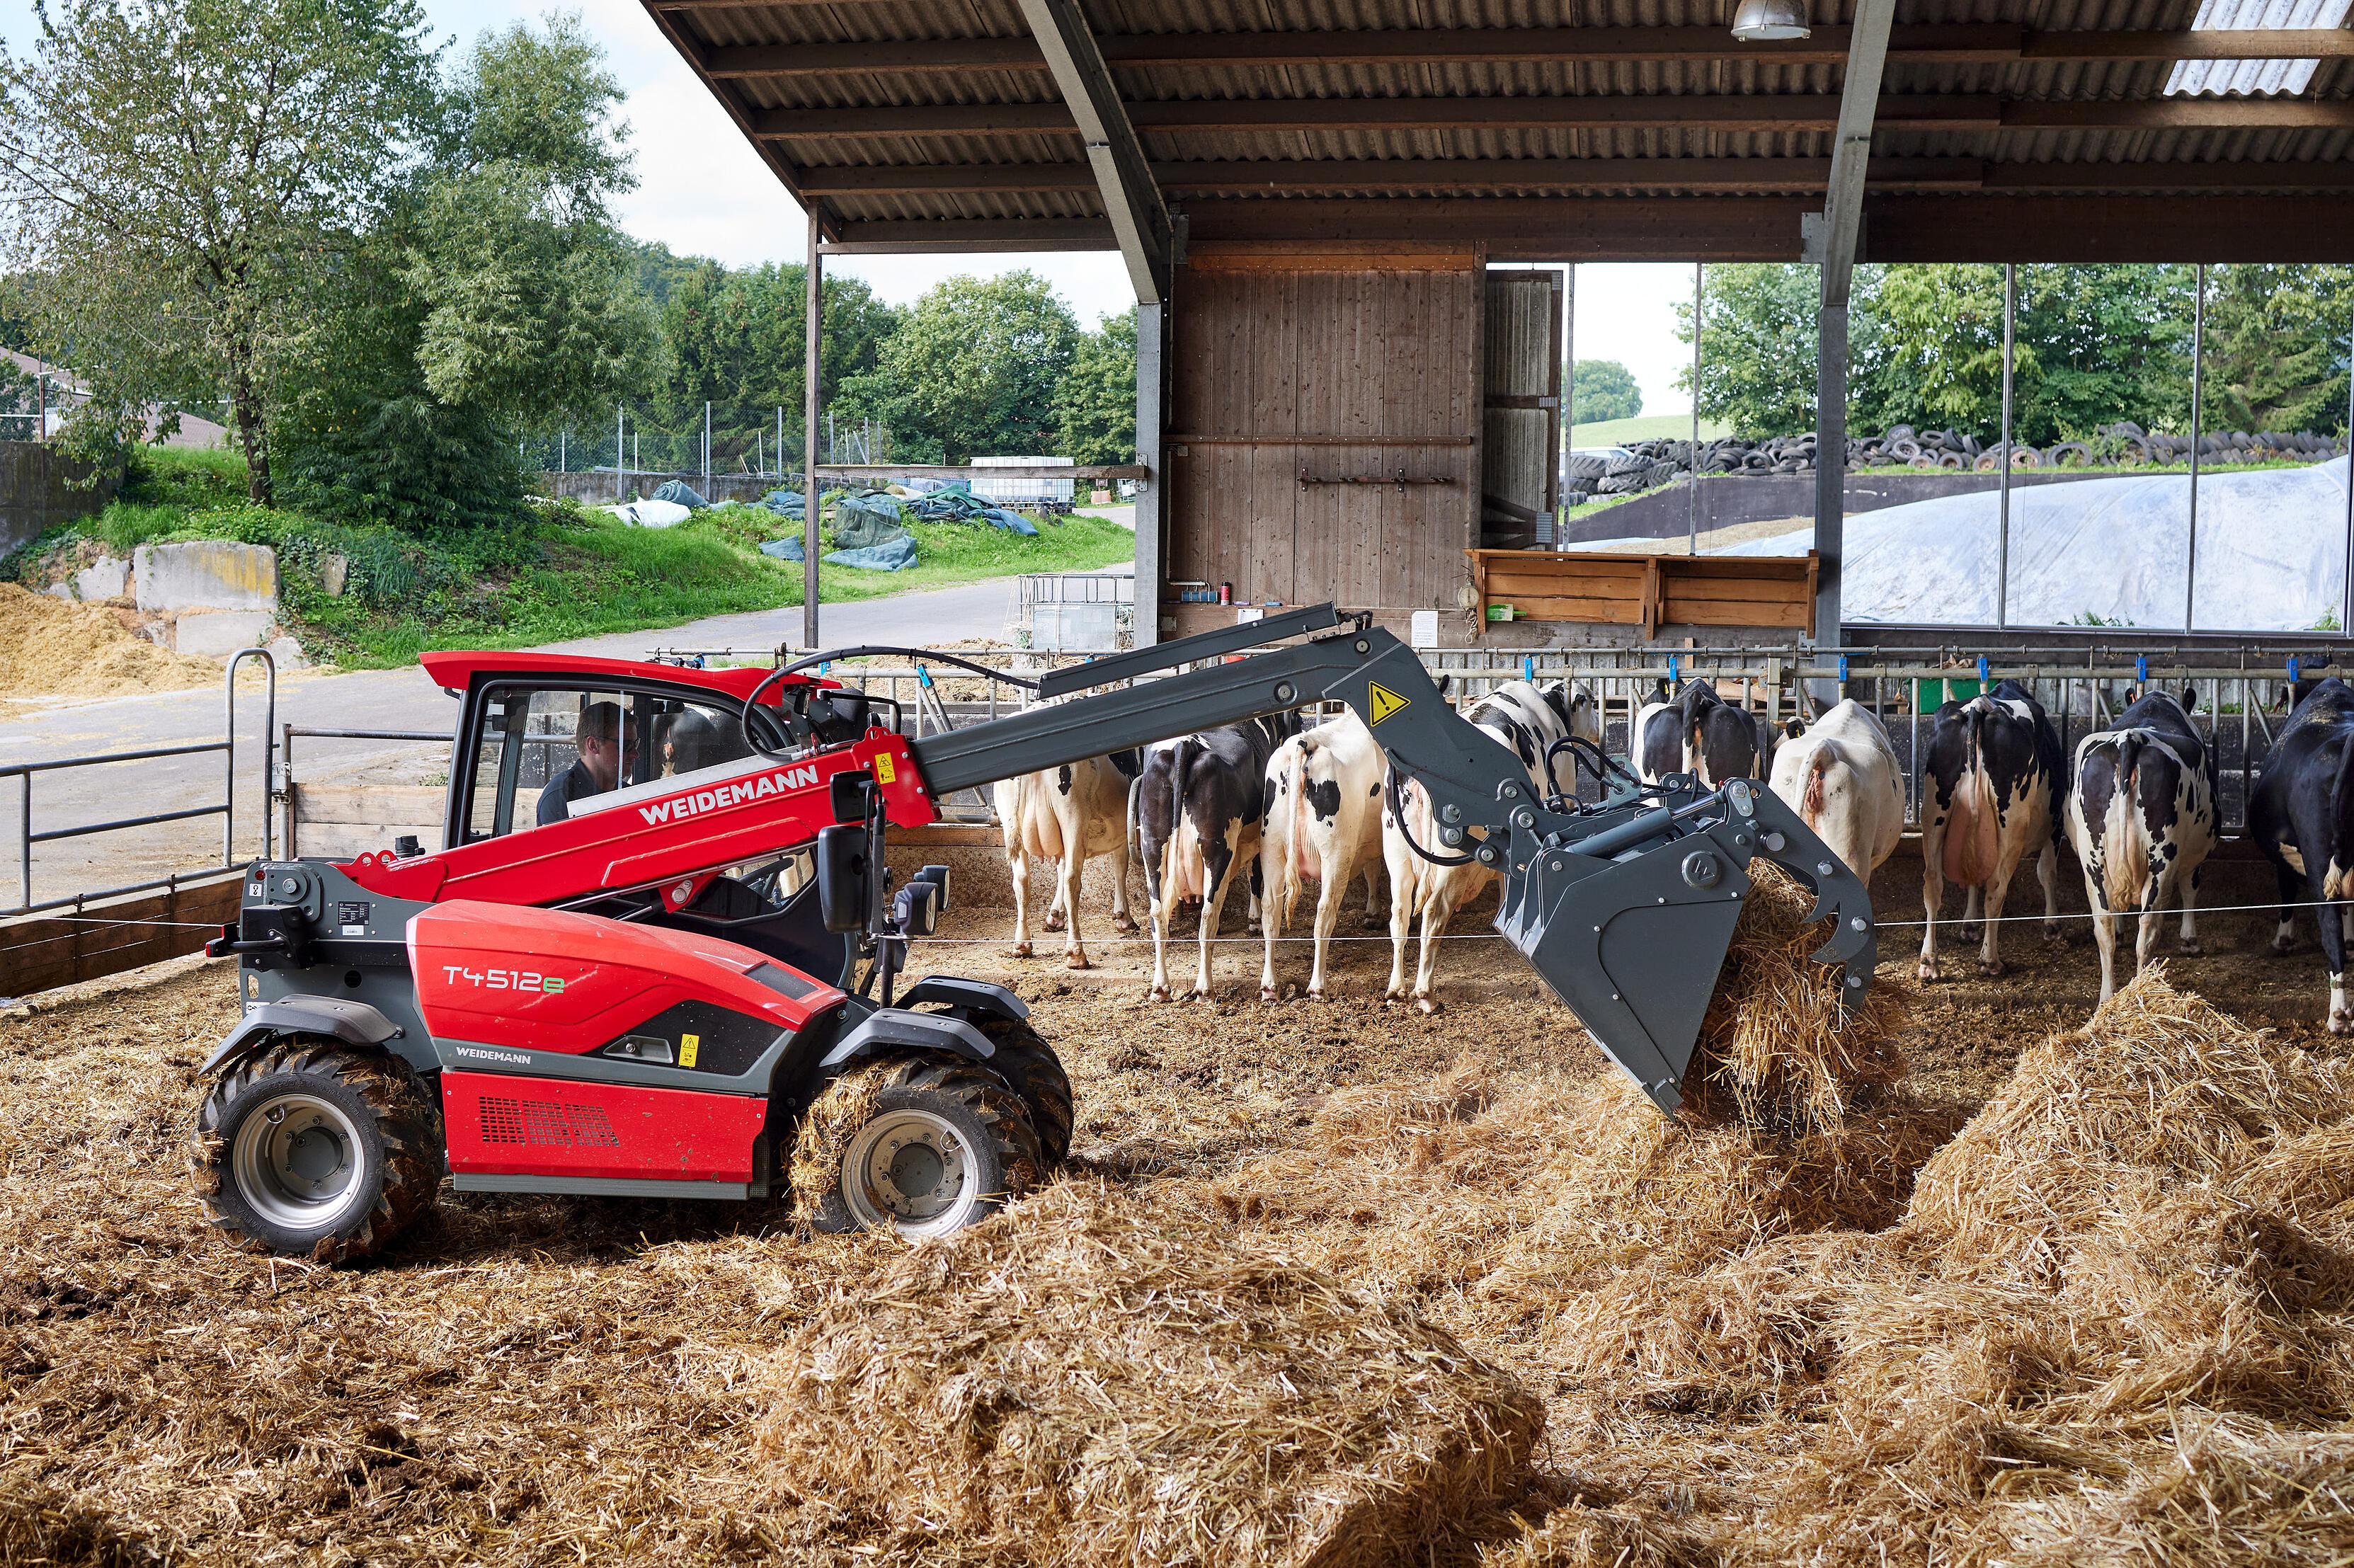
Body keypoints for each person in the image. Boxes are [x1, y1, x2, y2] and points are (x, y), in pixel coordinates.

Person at [537, 700, 634, 826]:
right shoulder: (561, 797)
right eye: (626, 745)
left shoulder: (628, 795)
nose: (635, 754)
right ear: (593, 745)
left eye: (635, 744)